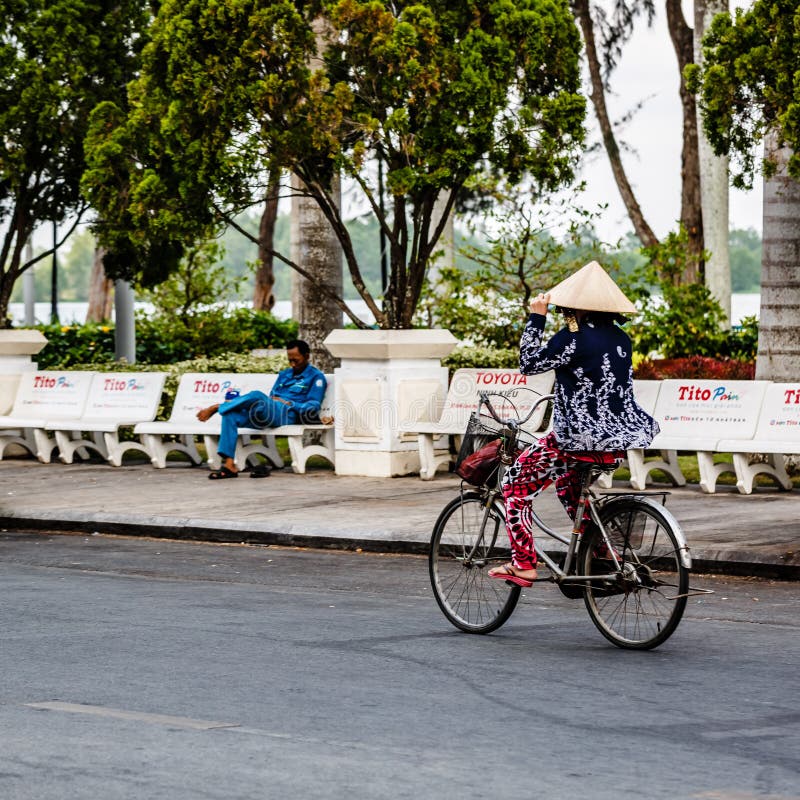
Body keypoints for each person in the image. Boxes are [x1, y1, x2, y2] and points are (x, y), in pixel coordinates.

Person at [488, 261, 660, 587]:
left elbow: (529, 363)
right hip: (616, 440)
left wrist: (538, 316)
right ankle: (602, 550)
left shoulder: (572, 338)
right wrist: (568, 314)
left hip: (576, 439)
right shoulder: (621, 338)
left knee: (514, 486)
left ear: (573, 307)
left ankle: (523, 563)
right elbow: (583, 342)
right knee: (568, 486)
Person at [197, 339, 327, 480]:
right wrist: (271, 402)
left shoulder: (316, 377)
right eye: (290, 360)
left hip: (286, 415)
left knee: (256, 395)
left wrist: (288, 402)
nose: (292, 364)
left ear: (307, 356)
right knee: (230, 415)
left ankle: (217, 407)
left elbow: (313, 407)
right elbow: (272, 396)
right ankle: (229, 466)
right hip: (268, 411)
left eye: (296, 360)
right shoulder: (284, 374)